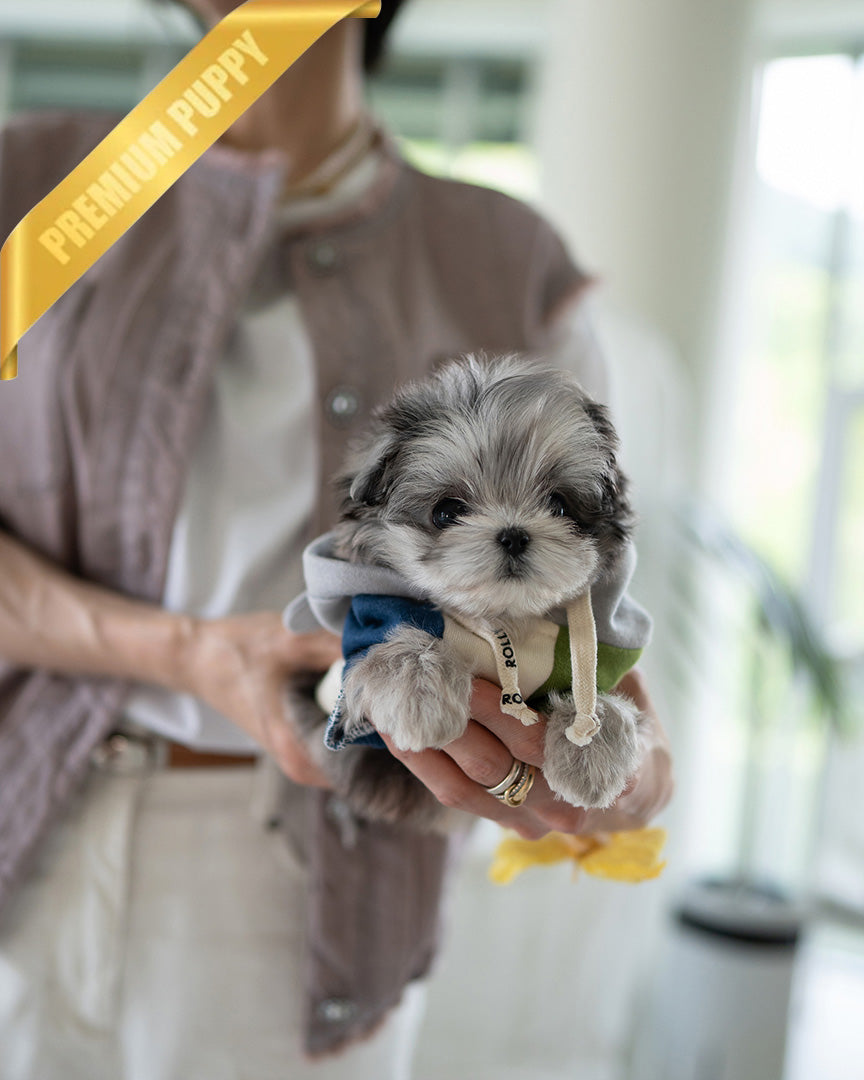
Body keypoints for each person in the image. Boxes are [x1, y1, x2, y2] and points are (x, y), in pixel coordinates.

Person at [0, 1, 674, 1076]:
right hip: (24, 827)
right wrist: (182, 654)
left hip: (314, 874)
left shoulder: (505, 262)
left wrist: (619, 771)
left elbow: (590, 588)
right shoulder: (31, 197)